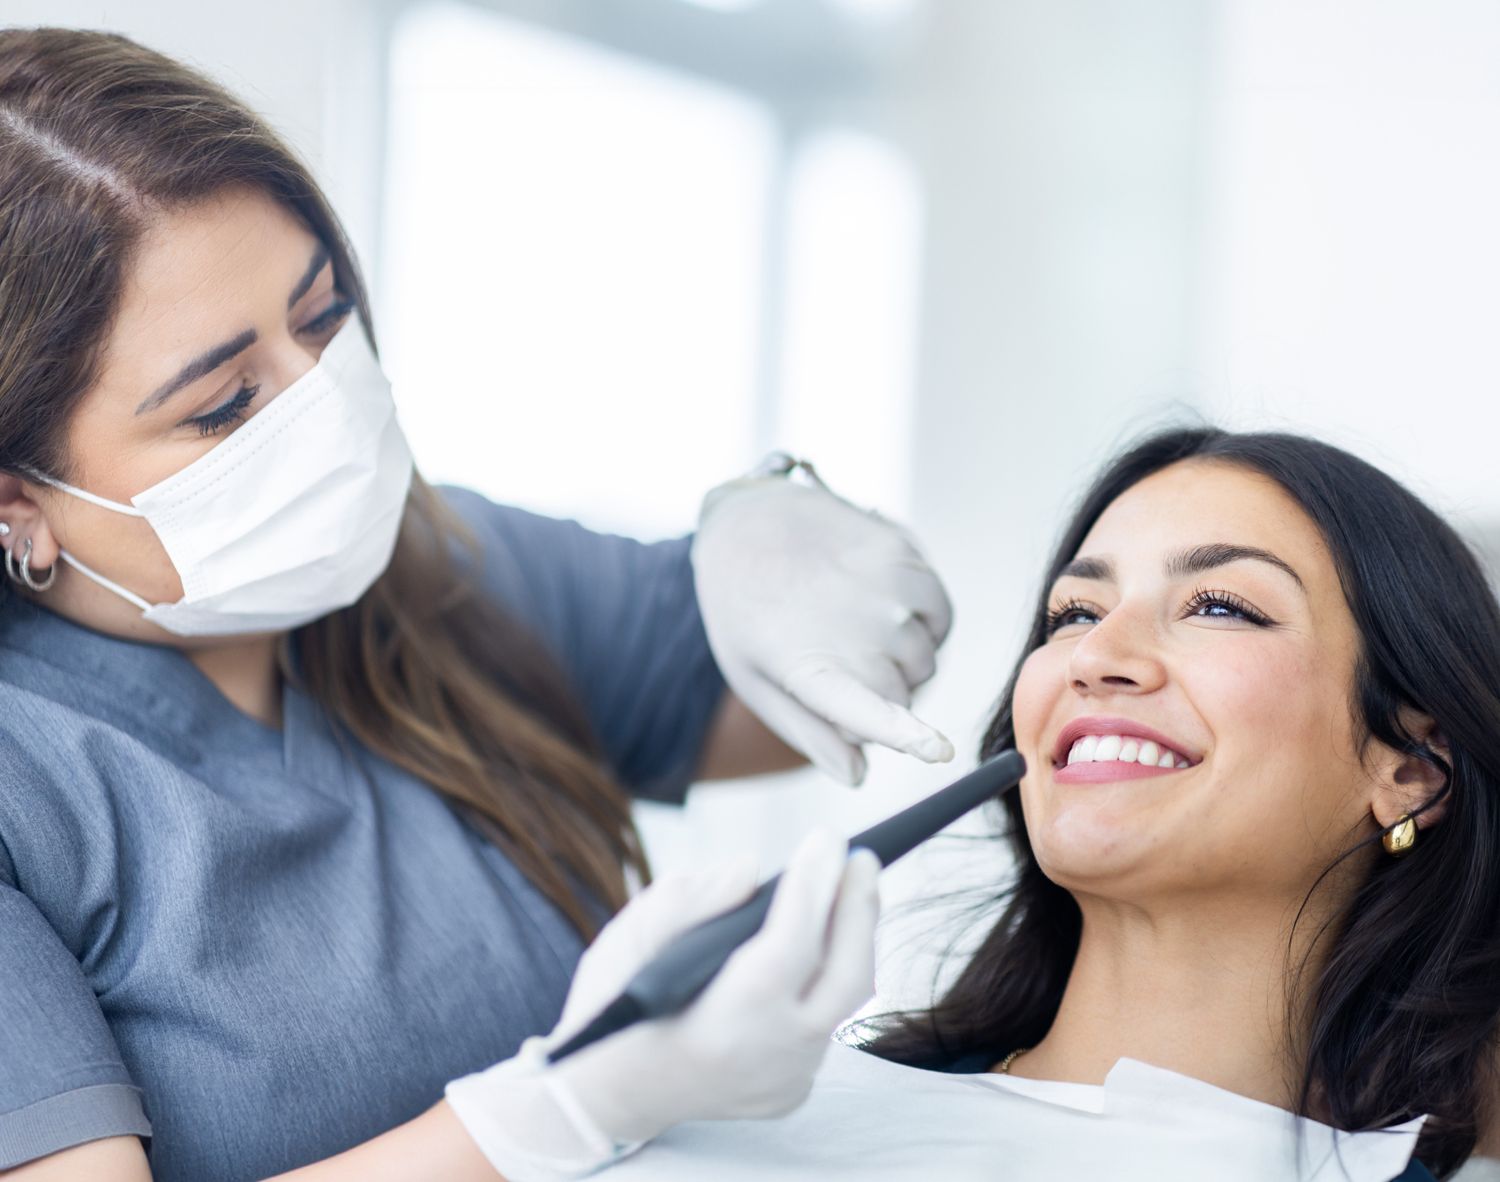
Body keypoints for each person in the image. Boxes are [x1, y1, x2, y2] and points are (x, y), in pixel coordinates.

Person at [0, 26, 958, 1182]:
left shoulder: (441, 570)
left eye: (322, 318)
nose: (326, 409)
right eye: (222, 404)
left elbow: (823, 685)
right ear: (20, 504)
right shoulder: (34, 788)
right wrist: (561, 1112)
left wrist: (785, 528)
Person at [560, 427, 1500, 1181]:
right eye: (1073, 615)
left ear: (1412, 767)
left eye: (1218, 605)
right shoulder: (714, 1131)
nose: (1096, 655)